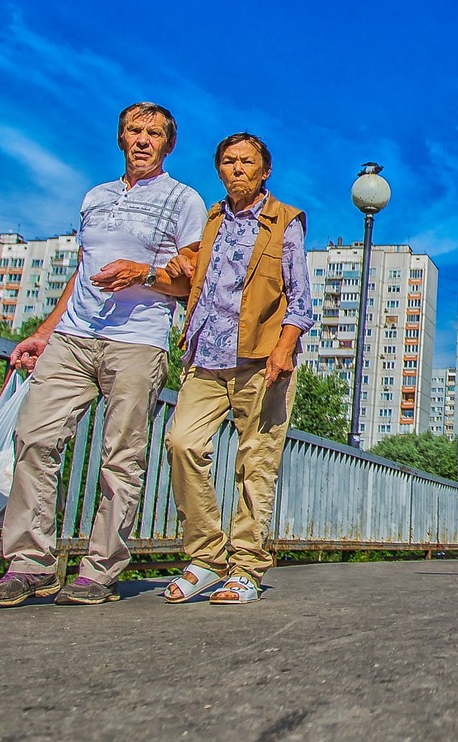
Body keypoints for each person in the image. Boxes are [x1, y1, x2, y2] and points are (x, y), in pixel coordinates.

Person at [0, 102, 207, 608]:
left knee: (120, 458)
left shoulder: (184, 199)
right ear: (120, 138)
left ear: (169, 144)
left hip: (137, 341)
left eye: (153, 134)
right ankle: (30, 565)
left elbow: (194, 277)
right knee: (34, 439)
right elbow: (82, 272)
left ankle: (100, 570)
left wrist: (143, 274)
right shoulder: (95, 197)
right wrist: (44, 331)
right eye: (133, 131)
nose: (142, 140)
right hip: (74, 337)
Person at [160, 133, 314, 605]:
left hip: (261, 360)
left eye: (247, 162)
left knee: (256, 464)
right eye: (228, 162)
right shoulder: (211, 219)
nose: (237, 169)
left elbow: (300, 299)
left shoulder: (284, 221)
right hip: (205, 356)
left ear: (265, 171)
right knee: (181, 442)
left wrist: (284, 349)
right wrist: (179, 266)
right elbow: (197, 283)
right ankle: (205, 556)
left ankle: (245, 565)